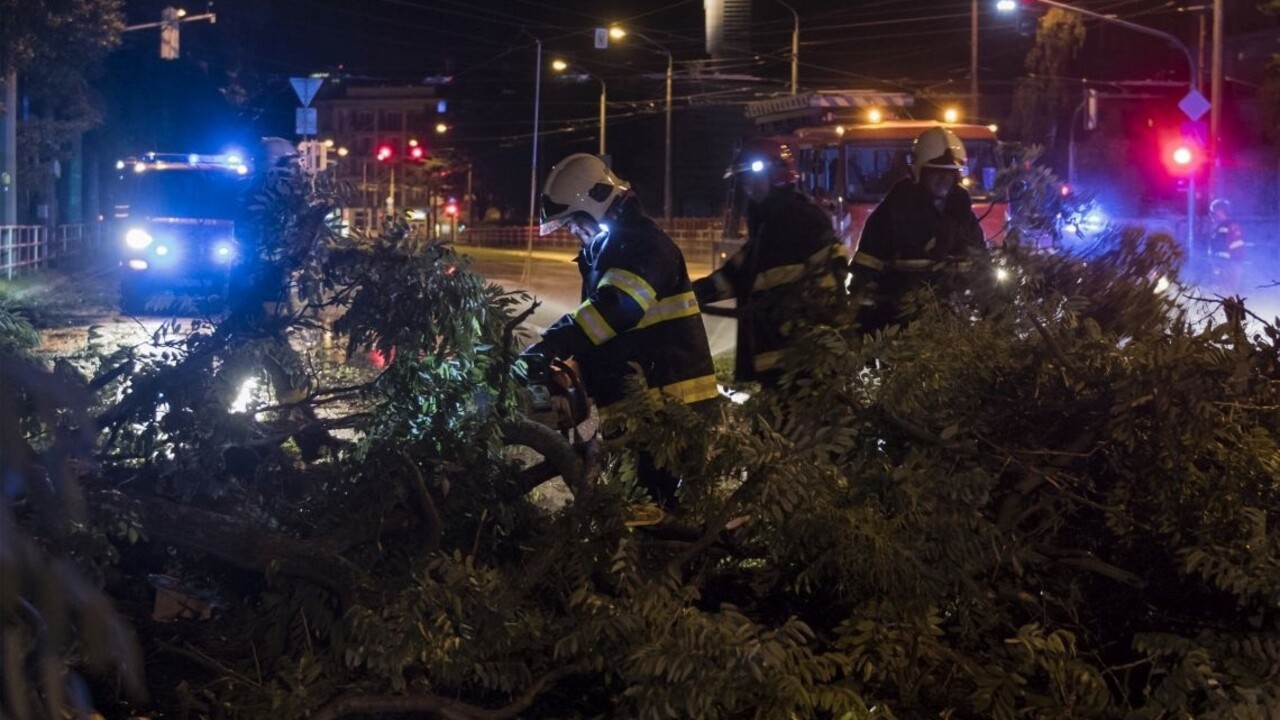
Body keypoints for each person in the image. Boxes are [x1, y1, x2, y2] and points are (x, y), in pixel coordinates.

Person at [521, 153, 719, 513]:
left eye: (573, 223)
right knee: (637, 509)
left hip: (671, 409)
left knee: (659, 513)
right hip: (644, 407)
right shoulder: (609, 251)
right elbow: (605, 335)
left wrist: (551, 345)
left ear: (596, 203)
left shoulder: (643, 244)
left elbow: (615, 310)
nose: (572, 234)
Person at [692, 137, 849, 388]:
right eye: (743, 180)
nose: (748, 186)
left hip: (796, 351)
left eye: (753, 177)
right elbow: (742, 269)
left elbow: (760, 277)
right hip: (782, 348)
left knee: (792, 418)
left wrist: (701, 294)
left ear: (777, 174)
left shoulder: (794, 217)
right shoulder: (770, 217)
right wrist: (696, 293)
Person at [851, 126, 987, 335]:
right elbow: (865, 275)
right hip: (900, 328)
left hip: (954, 328)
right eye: (936, 172)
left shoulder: (963, 215)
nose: (944, 179)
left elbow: (982, 265)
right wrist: (864, 328)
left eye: (950, 174)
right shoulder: (890, 215)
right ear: (918, 172)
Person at [1209, 198, 1245, 293]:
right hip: (1234, 263)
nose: (1211, 215)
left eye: (1212, 211)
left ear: (1219, 211)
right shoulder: (1233, 225)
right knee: (1232, 292)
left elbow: (1221, 249)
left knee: (1225, 293)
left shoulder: (1223, 227)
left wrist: (1218, 267)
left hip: (1226, 265)